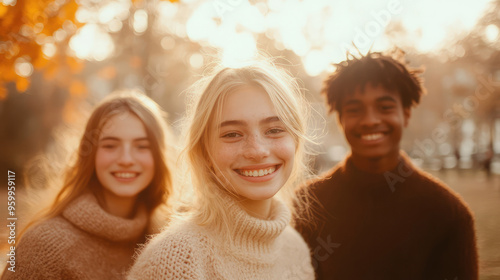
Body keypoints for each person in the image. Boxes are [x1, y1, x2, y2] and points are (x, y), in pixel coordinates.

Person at [294, 51, 478, 280]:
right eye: (354, 109)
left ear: (406, 114)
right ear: (341, 119)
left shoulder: (449, 214)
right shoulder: (306, 206)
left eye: (385, 107)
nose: (370, 120)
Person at [128, 61, 315, 279]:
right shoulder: (175, 259)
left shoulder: (296, 250)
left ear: (295, 141)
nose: (257, 151)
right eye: (232, 134)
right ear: (204, 152)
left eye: (274, 130)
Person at [2, 91, 174, 280]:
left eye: (142, 146)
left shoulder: (166, 239)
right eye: (110, 145)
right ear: (90, 156)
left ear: (159, 157)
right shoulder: (45, 244)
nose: (126, 159)